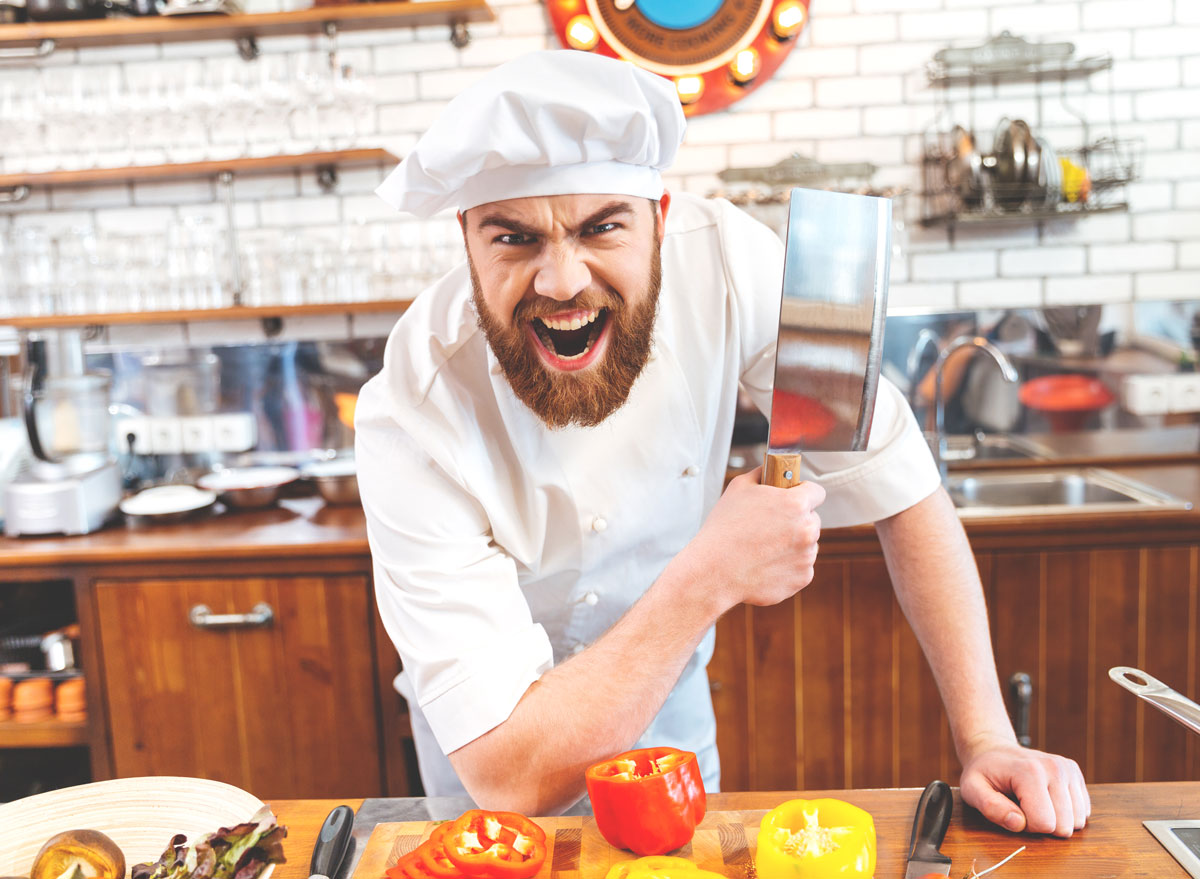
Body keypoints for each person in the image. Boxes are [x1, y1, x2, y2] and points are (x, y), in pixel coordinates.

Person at [356, 50, 1090, 834]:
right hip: (493, 774)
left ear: (661, 221)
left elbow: (900, 481)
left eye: (602, 225)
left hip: (672, 743)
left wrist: (987, 737)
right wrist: (706, 577)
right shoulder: (412, 411)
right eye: (514, 238)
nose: (562, 280)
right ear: (466, 241)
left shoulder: (738, 262)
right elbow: (512, 772)